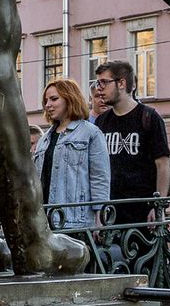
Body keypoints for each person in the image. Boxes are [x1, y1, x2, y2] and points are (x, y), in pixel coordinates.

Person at [92, 59, 170, 228]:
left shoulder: (149, 117)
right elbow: (96, 170)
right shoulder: (102, 122)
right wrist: (97, 213)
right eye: (97, 83)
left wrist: (159, 207)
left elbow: (163, 164)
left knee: (144, 254)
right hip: (110, 212)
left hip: (143, 213)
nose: (99, 88)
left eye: (104, 82)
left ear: (121, 83)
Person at [32, 78, 111, 233]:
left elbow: (100, 178)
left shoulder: (90, 133)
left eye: (54, 99)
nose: (48, 105)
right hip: (45, 223)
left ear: (70, 99)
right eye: (46, 101)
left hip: (77, 222)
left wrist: (99, 219)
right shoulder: (44, 139)